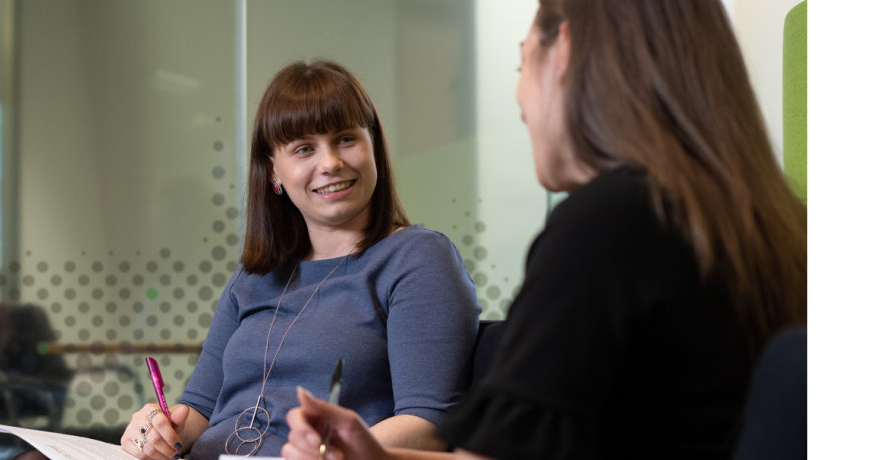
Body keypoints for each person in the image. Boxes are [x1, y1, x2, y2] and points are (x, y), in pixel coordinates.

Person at [281, 1, 808, 459]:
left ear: (566, 53)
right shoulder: (772, 221)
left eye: (520, 61)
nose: (519, 100)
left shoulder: (609, 224)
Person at [114, 60, 482, 460]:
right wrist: (158, 430)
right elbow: (198, 411)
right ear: (274, 169)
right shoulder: (254, 277)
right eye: (304, 148)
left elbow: (428, 426)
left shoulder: (417, 258)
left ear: (372, 144)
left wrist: (324, 451)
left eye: (345, 139)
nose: (330, 163)